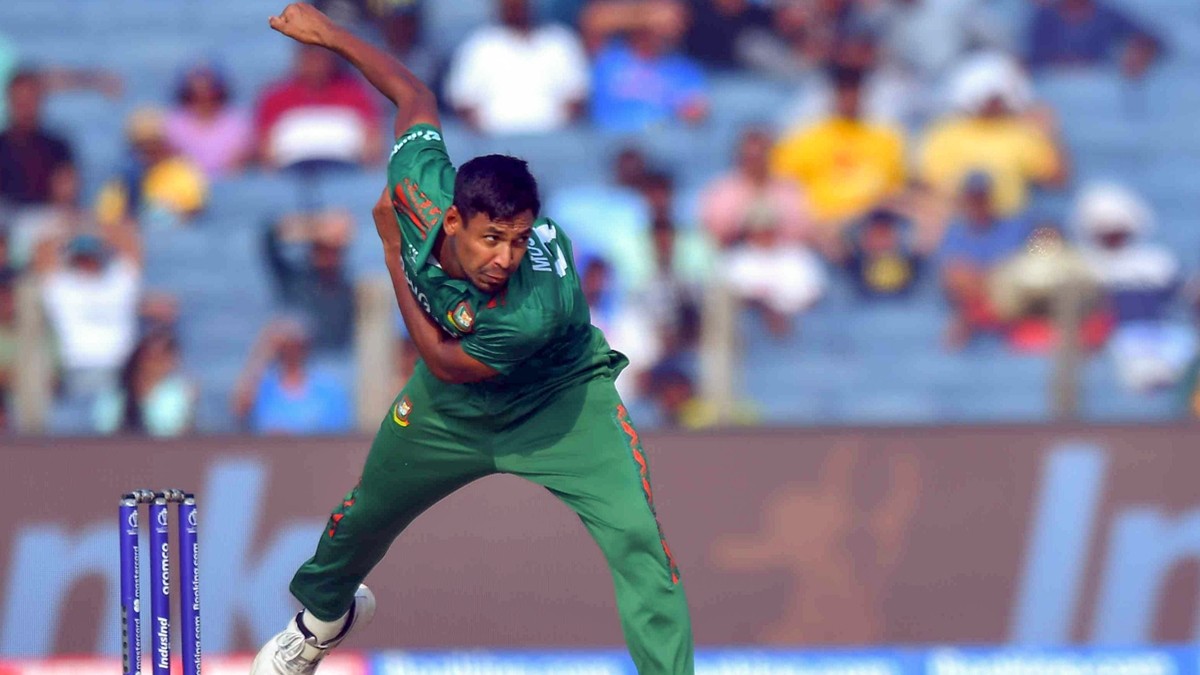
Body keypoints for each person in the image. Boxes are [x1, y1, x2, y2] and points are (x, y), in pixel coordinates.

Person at [251, 6, 693, 675]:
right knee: (363, 517)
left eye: (518, 239)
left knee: (639, 540)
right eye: (492, 238)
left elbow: (444, 360)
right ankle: (320, 623)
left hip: (559, 404)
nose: (506, 257)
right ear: (453, 218)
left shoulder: (533, 303)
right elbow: (413, 94)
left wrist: (393, 253)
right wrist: (332, 35)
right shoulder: (419, 187)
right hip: (453, 411)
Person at [444, 0, 590, 135]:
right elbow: (462, 101)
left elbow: (577, 97)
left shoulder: (560, 41)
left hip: (554, 137)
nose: (515, 5)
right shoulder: (478, 45)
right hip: (494, 140)